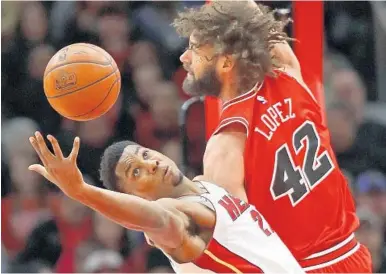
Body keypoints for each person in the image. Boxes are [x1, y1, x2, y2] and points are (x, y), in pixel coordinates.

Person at [173, 1, 372, 272]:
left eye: (194, 48)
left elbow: (244, 248)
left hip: (302, 267)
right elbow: (256, 20)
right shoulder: (288, 74)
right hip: (351, 254)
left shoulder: (226, 146)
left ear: (226, 61)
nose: (184, 57)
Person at [27, 132, 303, 273]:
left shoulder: (209, 185)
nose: (151, 164)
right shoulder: (177, 218)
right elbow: (154, 218)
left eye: (145, 154)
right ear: (135, 196)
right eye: (136, 172)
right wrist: (81, 192)